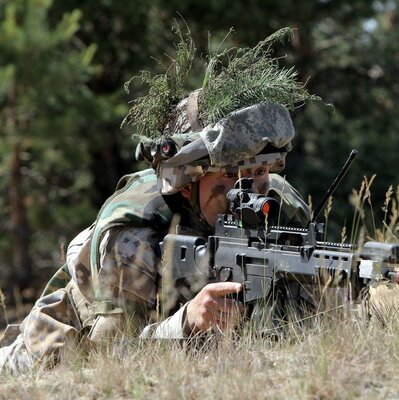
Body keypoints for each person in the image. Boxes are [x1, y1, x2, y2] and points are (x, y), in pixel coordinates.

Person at [0, 29, 316, 374]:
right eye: (228, 175)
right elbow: (108, 360)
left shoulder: (282, 206)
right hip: (63, 347)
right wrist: (183, 323)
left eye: (261, 170)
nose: (250, 190)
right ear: (186, 182)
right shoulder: (135, 237)